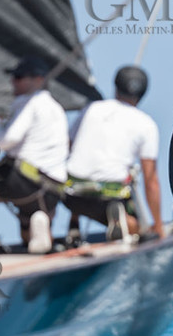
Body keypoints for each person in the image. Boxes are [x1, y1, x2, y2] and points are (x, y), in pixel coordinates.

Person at [0, 56, 69, 253]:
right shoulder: (57, 108)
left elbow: (10, 138)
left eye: (19, 77)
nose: (13, 82)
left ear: (38, 80)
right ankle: (38, 225)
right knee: (30, 226)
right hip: (52, 191)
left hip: (23, 183)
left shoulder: (30, 102)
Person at [63, 65, 163, 241]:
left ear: (116, 87)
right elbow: (151, 181)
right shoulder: (147, 125)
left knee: (78, 168)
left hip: (70, 195)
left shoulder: (91, 109)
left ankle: (73, 225)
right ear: (142, 95)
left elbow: (67, 148)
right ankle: (124, 222)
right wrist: (159, 228)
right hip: (108, 196)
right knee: (140, 228)